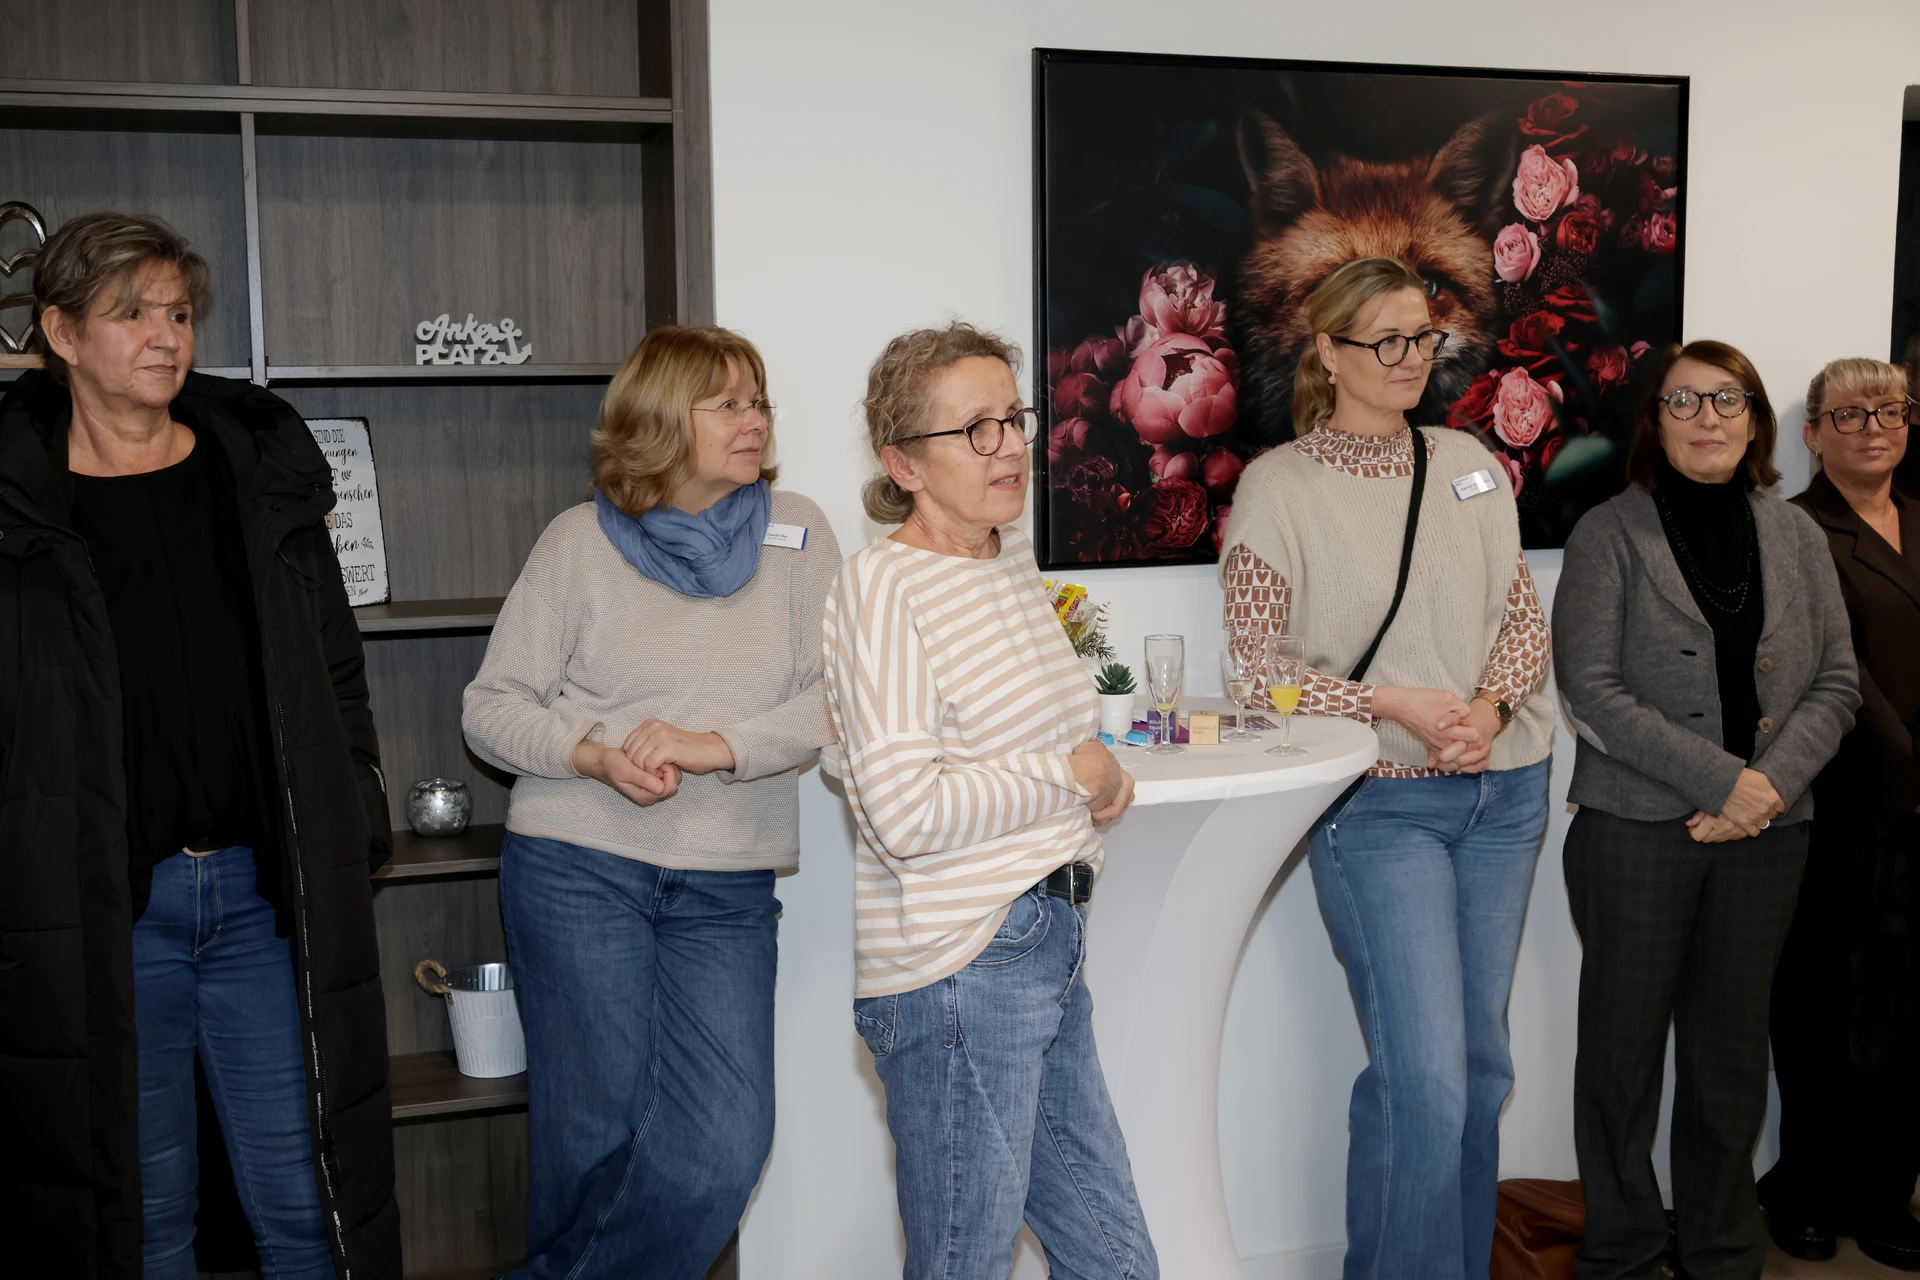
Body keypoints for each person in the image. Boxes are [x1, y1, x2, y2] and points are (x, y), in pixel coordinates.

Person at [0, 212, 399, 1277]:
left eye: (177, 314)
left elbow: (335, 667)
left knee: (308, 1210)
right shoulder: (19, 505)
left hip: (263, 902)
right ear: (61, 333)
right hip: (103, 913)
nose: (165, 337)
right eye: (131, 314)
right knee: (144, 1218)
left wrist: (357, 800)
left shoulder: (257, 472)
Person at [462, 325, 839, 1279]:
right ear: (663, 418)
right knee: (593, 1136)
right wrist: (590, 756)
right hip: (576, 868)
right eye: (729, 405)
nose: (755, 421)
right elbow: (491, 709)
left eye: (759, 401)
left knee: (726, 1143)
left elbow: (836, 702)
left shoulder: (799, 533)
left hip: (726, 886)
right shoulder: (577, 541)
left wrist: (717, 746)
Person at [1219, 256, 1555, 1280]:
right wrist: (1392, 704)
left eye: (1424, 337)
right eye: (1387, 340)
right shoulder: (1280, 487)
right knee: (1425, 1082)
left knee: (1481, 1070)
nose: (1412, 358)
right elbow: (1255, 673)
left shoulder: (1468, 461)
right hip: (1379, 811)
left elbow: (1521, 616)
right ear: (1328, 350)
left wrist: (1488, 712)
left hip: (1505, 789)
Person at [822, 322, 1156, 1280]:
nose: (1008, 446)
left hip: (1043, 941)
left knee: (1116, 1261)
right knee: (966, 1264)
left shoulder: (1009, 561)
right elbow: (906, 813)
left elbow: (1021, 745)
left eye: (1013, 418)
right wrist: (1069, 777)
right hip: (960, 967)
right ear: (903, 464)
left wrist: (1092, 783)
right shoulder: (883, 587)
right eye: (975, 429)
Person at [1554, 339, 1860, 1280]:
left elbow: (1837, 681)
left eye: (1728, 400)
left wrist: (1767, 790)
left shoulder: (1796, 535)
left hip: (1768, 837)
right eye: (1684, 402)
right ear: (1656, 421)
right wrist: (1724, 783)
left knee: (1730, 1060)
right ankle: (1622, 1251)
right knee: (1622, 1059)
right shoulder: (1608, 533)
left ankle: (1724, 1250)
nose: (1708, 419)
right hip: (1637, 832)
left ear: (1755, 419)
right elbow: (1592, 691)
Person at [1757, 357, 1920, 1270]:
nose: (1873, 428)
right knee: (1822, 1005)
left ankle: (1885, 1194)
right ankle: (1808, 1189)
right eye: (1849, 414)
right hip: (1844, 802)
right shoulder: (1795, 530)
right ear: (1813, 434)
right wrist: (1909, 776)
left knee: (1910, 1013)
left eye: (1889, 410)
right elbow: (1833, 670)